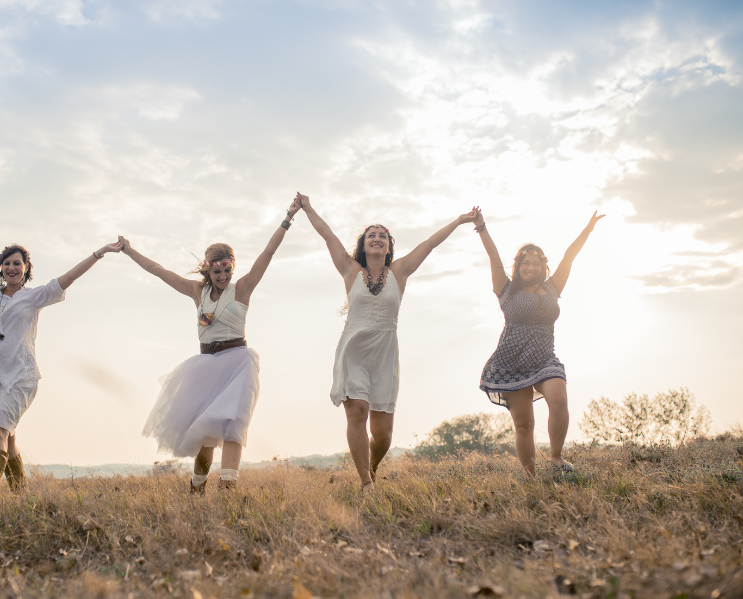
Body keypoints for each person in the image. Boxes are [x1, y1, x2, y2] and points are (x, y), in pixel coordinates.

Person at [0, 197, 121, 500]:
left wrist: (99, 253)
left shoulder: (34, 297)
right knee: (7, 437)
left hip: (20, 376)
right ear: (0, 268)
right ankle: (22, 496)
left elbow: (69, 277)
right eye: (6, 263)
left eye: (17, 263)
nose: (11, 267)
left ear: (25, 268)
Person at [119, 199, 303, 493]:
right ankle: (197, 485)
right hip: (206, 366)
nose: (222, 276)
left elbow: (268, 253)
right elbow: (157, 270)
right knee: (204, 434)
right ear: (207, 270)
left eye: (227, 270)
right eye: (216, 272)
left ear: (232, 268)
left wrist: (287, 218)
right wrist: (129, 251)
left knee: (233, 424)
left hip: (238, 363)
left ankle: (228, 484)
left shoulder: (242, 289)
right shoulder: (197, 292)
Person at [298, 193, 477, 491]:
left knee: (383, 435)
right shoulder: (350, 270)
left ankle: (372, 467)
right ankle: (366, 484)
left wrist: (459, 221)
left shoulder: (400, 272)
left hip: (384, 353)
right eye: (372, 235)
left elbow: (430, 244)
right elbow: (327, 234)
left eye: (383, 235)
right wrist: (307, 207)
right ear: (364, 244)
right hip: (354, 348)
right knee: (357, 412)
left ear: (389, 245)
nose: (377, 238)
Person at [472, 206, 604, 475]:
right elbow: (494, 257)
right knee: (524, 425)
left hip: (544, 358)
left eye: (535, 263)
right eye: (525, 263)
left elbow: (569, 256)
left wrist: (587, 231)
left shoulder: (553, 287)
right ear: (518, 266)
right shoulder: (506, 289)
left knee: (558, 397)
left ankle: (556, 458)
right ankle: (531, 478)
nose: (530, 267)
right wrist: (482, 227)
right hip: (511, 362)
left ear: (544, 266)